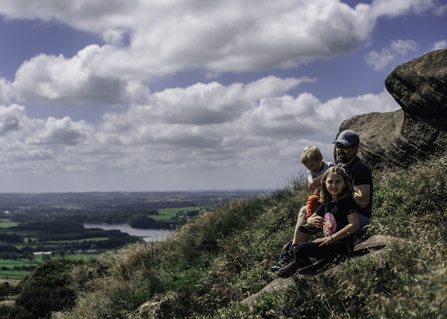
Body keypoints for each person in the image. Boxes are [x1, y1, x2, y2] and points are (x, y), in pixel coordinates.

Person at [291, 130, 372, 245]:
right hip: (338, 210)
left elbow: (363, 201)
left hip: (357, 217)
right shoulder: (337, 168)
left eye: (345, 147)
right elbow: (314, 187)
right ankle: (294, 251)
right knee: (305, 211)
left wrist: (342, 189)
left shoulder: (359, 169)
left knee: (326, 215)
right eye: (338, 145)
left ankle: (300, 250)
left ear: (355, 148)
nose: (340, 150)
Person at [277, 166, 359, 277]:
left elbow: (354, 225)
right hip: (327, 244)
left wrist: (331, 238)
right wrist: (311, 221)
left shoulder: (347, 201)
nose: (334, 185)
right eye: (330, 182)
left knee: (299, 249)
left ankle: (303, 265)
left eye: (338, 182)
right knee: (293, 248)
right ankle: (311, 264)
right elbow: (311, 218)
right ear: (325, 183)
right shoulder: (327, 202)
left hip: (340, 247)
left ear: (344, 183)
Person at [300, 146, 334, 233]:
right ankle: (310, 223)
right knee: (312, 199)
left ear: (320, 158)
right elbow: (311, 183)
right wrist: (325, 176)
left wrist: (318, 184)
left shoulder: (330, 166)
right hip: (318, 196)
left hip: (330, 195)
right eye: (307, 167)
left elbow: (332, 177)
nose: (310, 169)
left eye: (312, 165)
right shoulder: (312, 170)